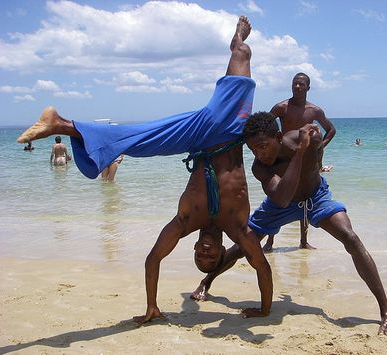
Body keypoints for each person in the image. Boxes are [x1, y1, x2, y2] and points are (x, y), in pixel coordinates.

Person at [17, 17, 272, 322]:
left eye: (200, 256)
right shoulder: (239, 228)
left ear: (193, 249)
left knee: (141, 139)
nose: (205, 251)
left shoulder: (186, 219)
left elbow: (153, 259)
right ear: (221, 251)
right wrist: (265, 309)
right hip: (229, 129)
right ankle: (237, 39)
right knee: (242, 53)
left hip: (200, 135)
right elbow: (261, 266)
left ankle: (61, 124)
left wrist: (151, 305)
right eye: (211, 256)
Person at [193, 112, 387, 335]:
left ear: (279, 137)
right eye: (253, 150)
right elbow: (280, 197)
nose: (259, 154)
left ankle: (386, 311)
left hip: (316, 198)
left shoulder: (305, 141)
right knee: (245, 245)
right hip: (281, 204)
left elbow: (319, 144)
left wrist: (314, 141)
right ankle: (207, 281)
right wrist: (301, 153)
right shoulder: (260, 168)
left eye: (263, 146)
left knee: (350, 238)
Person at [262, 73, 337, 252]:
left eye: (301, 84)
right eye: (295, 84)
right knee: (277, 196)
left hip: (306, 159)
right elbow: (265, 126)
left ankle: (303, 241)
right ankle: (269, 241)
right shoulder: (281, 107)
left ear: (308, 88)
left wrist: (320, 147)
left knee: (305, 197)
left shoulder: (314, 110)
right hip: (284, 160)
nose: (297, 87)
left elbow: (331, 130)